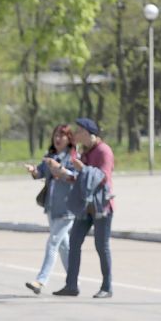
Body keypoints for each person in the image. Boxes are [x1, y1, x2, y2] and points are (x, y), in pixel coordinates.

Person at [51, 117, 115, 298]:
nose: (76, 134)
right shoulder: (85, 152)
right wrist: (63, 173)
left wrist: (83, 168)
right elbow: (81, 180)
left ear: (87, 133)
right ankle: (71, 285)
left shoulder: (104, 151)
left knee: (101, 246)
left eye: (79, 131)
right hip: (85, 205)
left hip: (101, 205)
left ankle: (107, 287)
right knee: (74, 242)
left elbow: (102, 177)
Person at [23, 124, 78, 294]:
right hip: (52, 207)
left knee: (53, 242)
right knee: (64, 246)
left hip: (67, 209)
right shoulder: (50, 157)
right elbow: (40, 173)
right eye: (56, 135)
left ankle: (41, 281)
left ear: (69, 139)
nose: (58, 138)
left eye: (62, 135)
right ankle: (72, 283)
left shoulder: (73, 157)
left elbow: (75, 177)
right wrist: (33, 170)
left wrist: (59, 168)